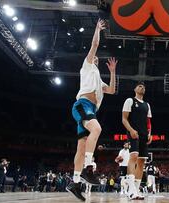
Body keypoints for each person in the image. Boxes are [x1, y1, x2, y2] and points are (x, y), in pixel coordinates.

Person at [66, 19, 118, 202]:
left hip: (90, 109)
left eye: (96, 57)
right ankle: (89, 169)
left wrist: (112, 72)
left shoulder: (98, 80)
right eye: (93, 56)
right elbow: (95, 44)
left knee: (81, 147)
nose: (94, 57)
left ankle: (74, 182)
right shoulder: (87, 66)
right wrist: (97, 29)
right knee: (97, 129)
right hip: (82, 105)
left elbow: (112, 90)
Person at [122, 82, 153, 200]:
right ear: (135, 89)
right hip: (133, 133)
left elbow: (148, 121)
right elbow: (124, 119)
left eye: (144, 86)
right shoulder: (130, 101)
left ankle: (136, 189)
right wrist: (131, 130)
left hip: (145, 135)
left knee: (141, 162)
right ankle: (130, 189)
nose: (142, 87)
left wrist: (150, 133)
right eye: (139, 86)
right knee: (133, 157)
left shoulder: (147, 105)